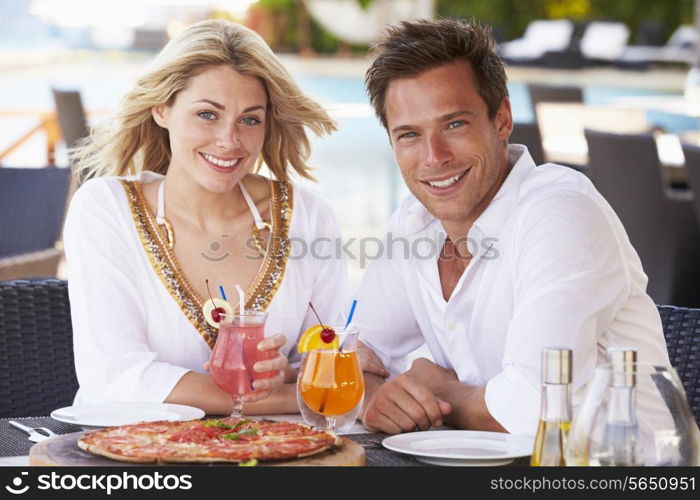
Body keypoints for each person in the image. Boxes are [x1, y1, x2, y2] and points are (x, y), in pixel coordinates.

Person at [354, 18, 670, 436]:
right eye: (410, 134)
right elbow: (352, 356)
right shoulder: (414, 221)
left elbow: (535, 409)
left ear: (502, 119)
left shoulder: (560, 212)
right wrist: (374, 396)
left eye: (454, 124)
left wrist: (441, 390)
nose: (434, 156)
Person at [64, 20, 351, 415]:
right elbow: (113, 377)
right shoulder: (104, 209)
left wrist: (285, 374)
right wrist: (287, 398)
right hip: (135, 459)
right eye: (207, 114)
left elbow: (332, 358)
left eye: (250, 119)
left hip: (278, 454)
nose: (229, 141)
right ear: (162, 109)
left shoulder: (310, 217)